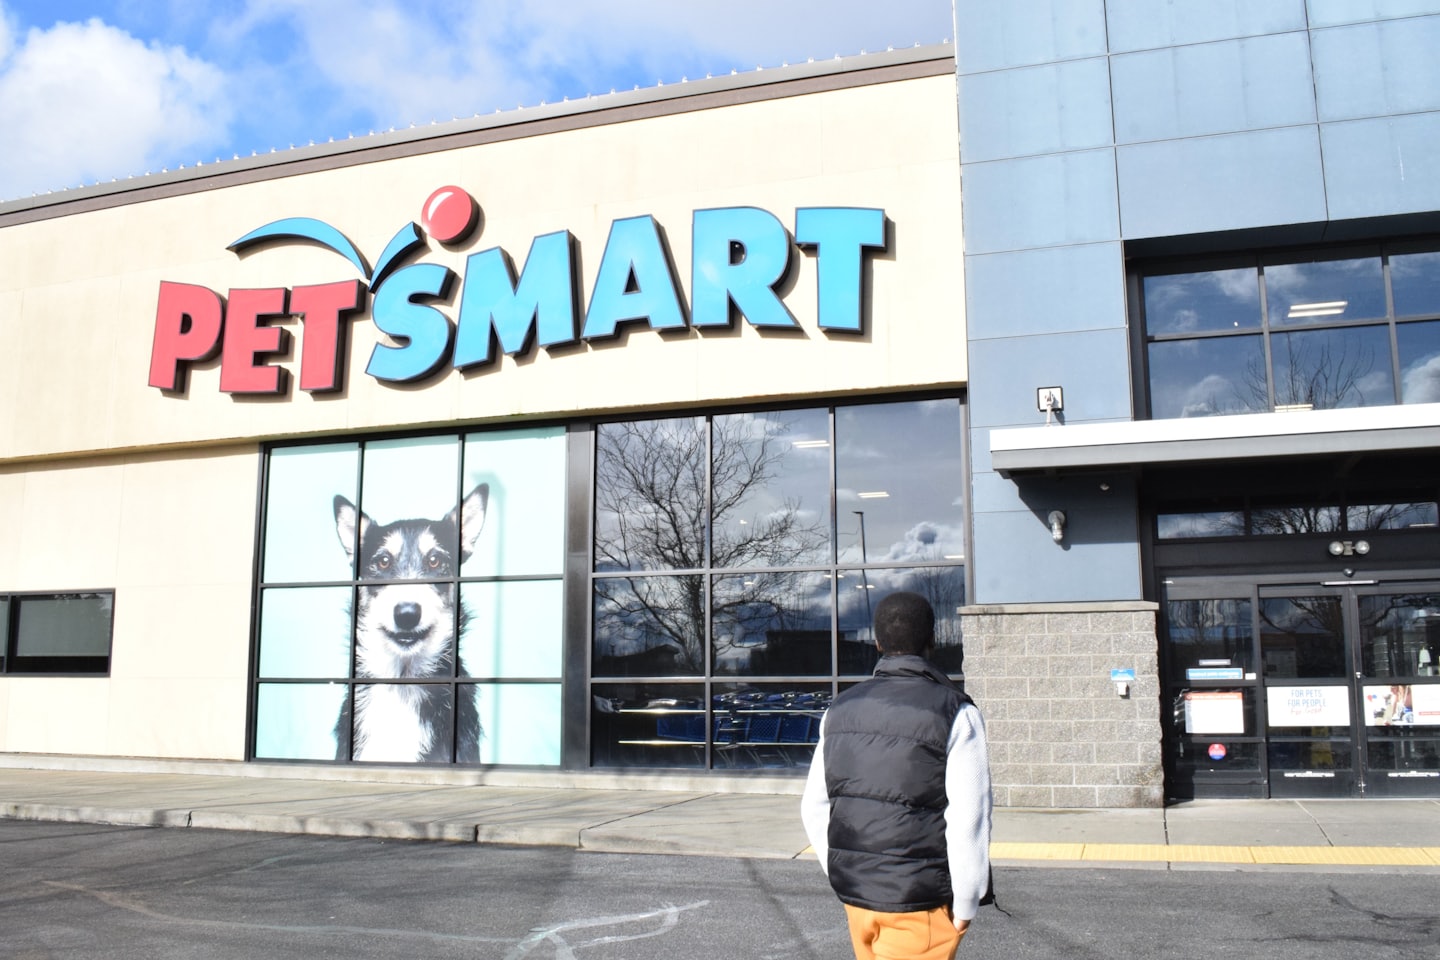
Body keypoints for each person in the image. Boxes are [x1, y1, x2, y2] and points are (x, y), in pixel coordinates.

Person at [801, 591, 992, 960]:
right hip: (919, 900)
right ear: (932, 640)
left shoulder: (838, 709)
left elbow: (814, 806)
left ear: (877, 643)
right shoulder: (955, 712)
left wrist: (846, 870)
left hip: (857, 898)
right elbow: (970, 817)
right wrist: (967, 902)